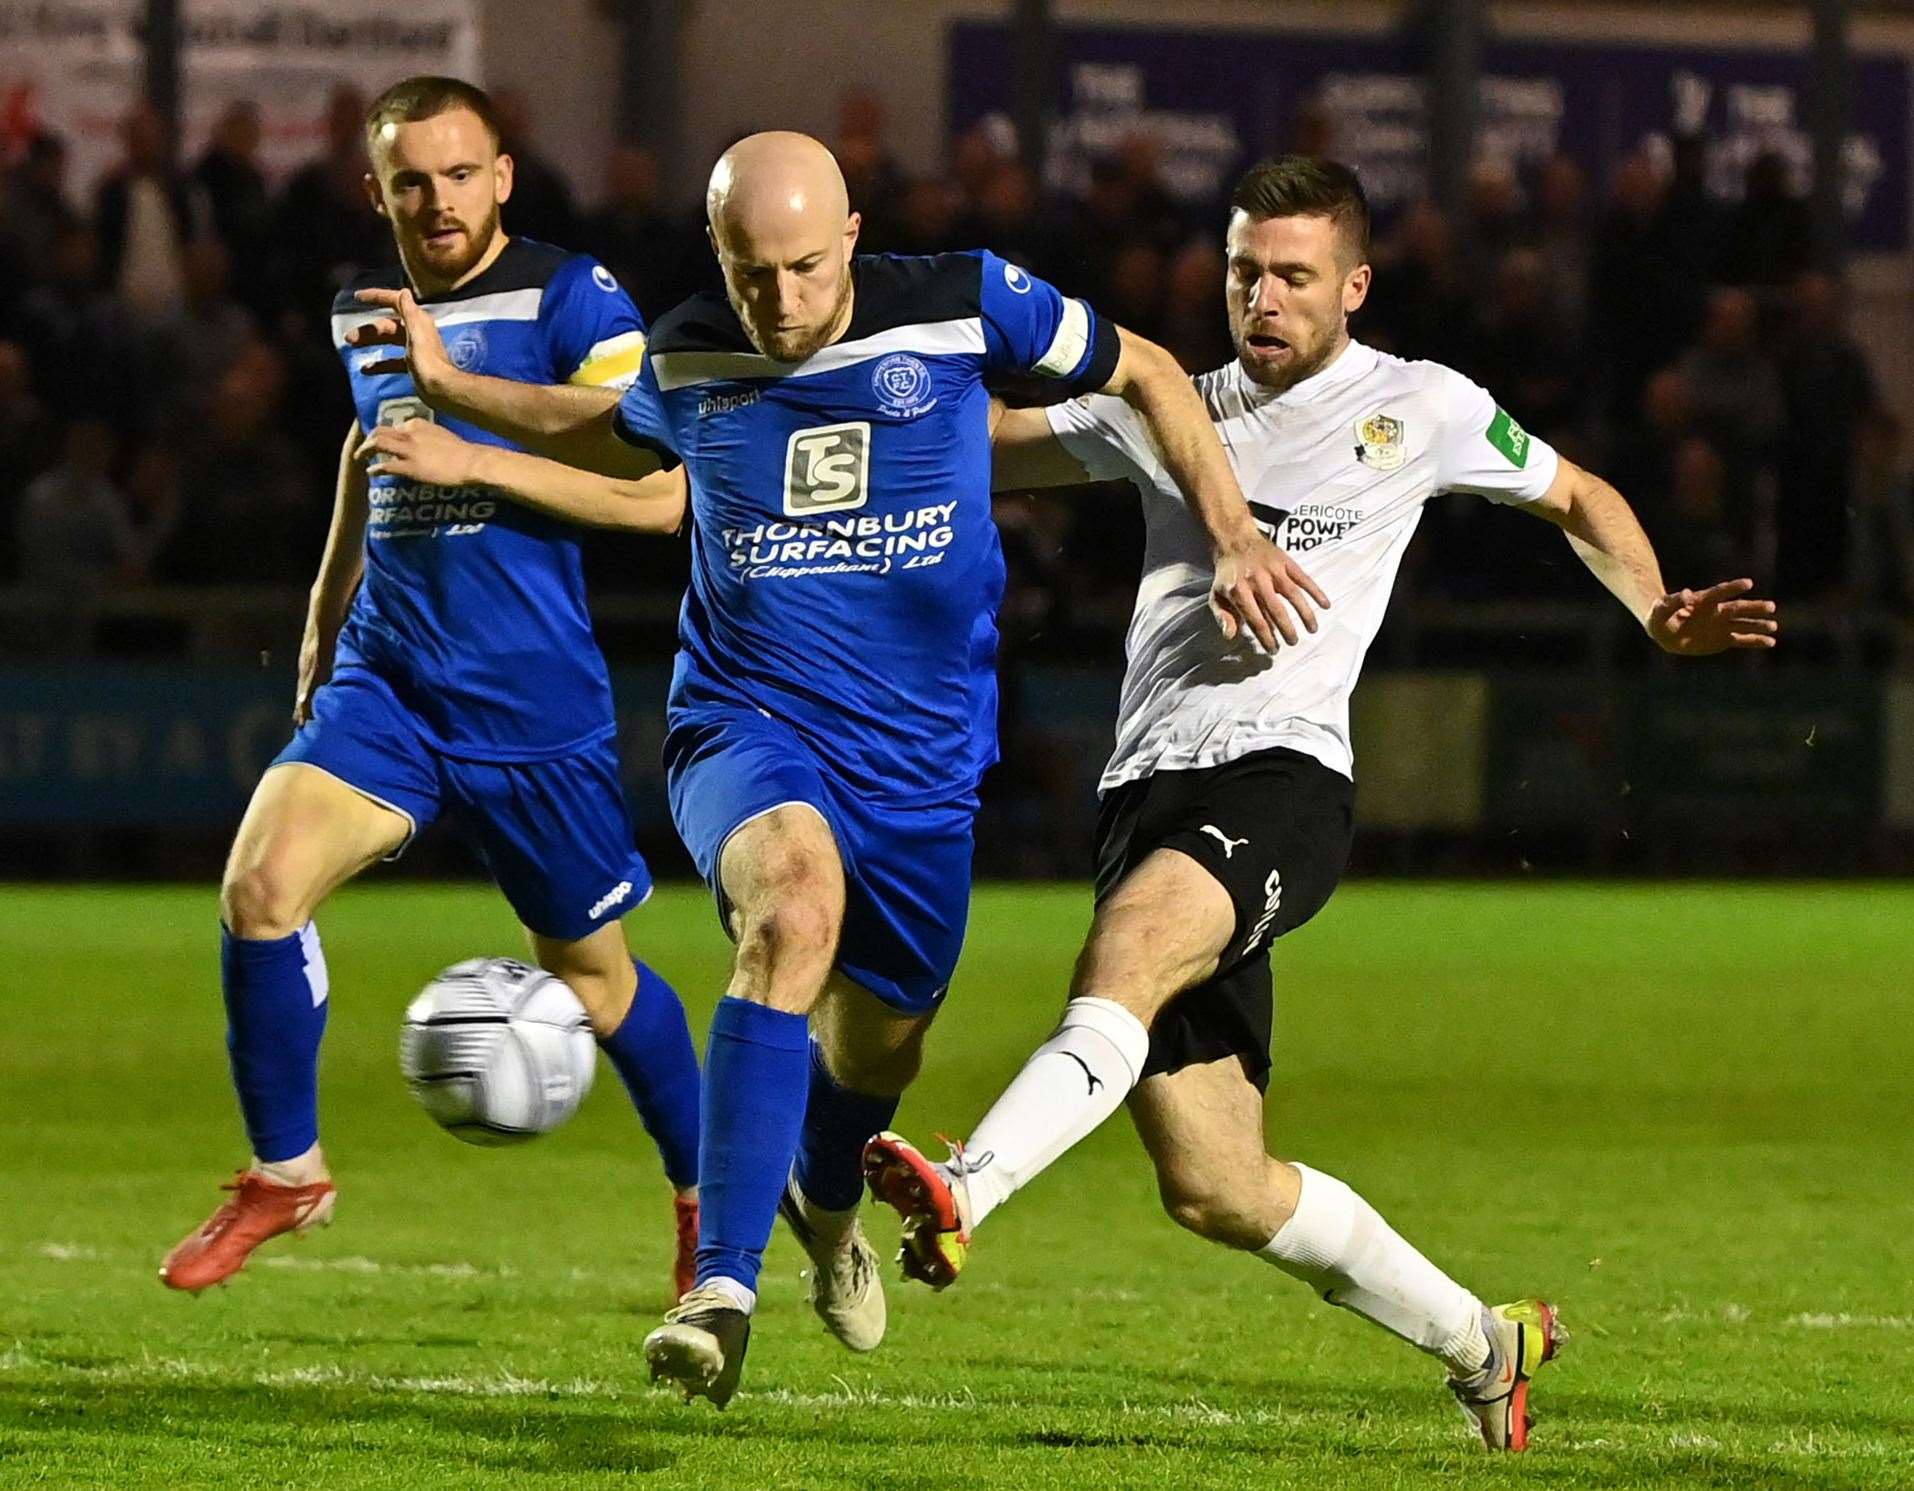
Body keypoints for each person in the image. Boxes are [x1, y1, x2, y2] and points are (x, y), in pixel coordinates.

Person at [351, 129, 1324, 1408]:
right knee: (790, 913)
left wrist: (1234, 530)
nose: (783, 303)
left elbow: (1146, 369)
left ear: (853, 233)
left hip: (920, 770)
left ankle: (824, 1201)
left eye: (806, 268)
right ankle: (722, 1286)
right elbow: (612, 429)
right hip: (744, 725)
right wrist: (454, 389)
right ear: (720, 256)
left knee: (879, 1056)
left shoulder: (967, 301)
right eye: (754, 274)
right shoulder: (696, 342)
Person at [864, 156, 1779, 1452]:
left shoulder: (1421, 406)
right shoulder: (1167, 403)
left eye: (1293, 273)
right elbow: (987, 443)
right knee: (1217, 1184)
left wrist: (1653, 605)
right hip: (1145, 788)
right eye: (1243, 268)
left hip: (1284, 776)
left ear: (1352, 282)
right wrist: (855, 405)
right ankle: (1483, 1338)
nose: (1263, 294)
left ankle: (964, 1186)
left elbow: (1574, 491)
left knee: (1122, 953)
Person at [157, 76, 702, 1302]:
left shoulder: (575, 293)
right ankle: (285, 1171)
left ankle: (702, 1193)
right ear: (378, 191)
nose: (439, 199)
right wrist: (323, 609)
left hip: (532, 707)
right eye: (413, 180)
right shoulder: (364, 307)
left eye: (462, 174)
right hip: (389, 682)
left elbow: (648, 463)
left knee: (594, 977)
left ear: (503, 176)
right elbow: (370, 453)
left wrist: (470, 434)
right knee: (259, 888)